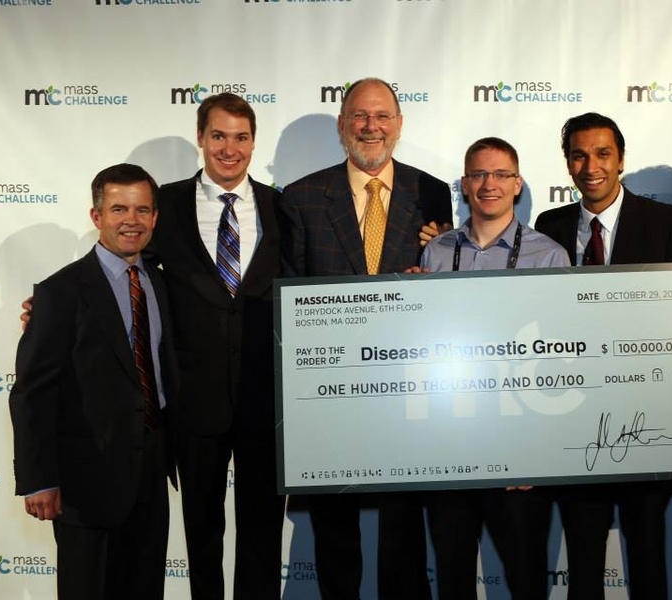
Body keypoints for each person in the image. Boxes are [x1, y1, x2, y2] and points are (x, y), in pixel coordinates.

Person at [279, 76, 454, 600]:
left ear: (399, 125)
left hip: (408, 389)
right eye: (359, 115)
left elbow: (445, 290)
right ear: (341, 126)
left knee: (403, 535)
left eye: (382, 116)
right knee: (335, 535)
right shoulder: (303, 197)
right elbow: (290, 298)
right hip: (331, 395)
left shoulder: (432, 193)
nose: (370, 126)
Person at [533, 112, 672, 600]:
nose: (591, 166)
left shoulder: (665, 222)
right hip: (577, 424)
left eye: (603, 153)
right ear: (567, 164)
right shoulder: (551, 225)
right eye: (579, 155)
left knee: (648, 560)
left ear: (621, 160)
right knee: (583, 565)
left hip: (646, 423)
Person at [9, 163, 178, 600]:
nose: (131, 221)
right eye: (118, 208)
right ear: (96, 216)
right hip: (86, 480)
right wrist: (38, 479)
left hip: (150, 472)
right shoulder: (60, 292)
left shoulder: (159, 282)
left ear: (155, 219)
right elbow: (32, 391)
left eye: (142, 210)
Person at [149, 92, 286, 600]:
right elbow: (124, 267)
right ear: (201, 138)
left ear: (254, 142)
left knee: (262, 531)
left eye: (241, 137)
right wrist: (56, 303)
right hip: (193, 400)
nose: (230, 148)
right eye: (219, 136)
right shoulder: (165, 203)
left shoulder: (279, 205)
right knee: (201, 533)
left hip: (265, 402)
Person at [418, 136, 568, 599]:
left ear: (517, 184)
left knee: (526, 582)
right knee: (453, 581)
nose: (489, 184)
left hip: (520, 458)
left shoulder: (550, 256)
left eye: (501, 174)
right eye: (479, 174)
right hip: (448, 450)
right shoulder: (436, 254)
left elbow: (561, 364)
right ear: (463, 184)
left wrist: (537, 452)